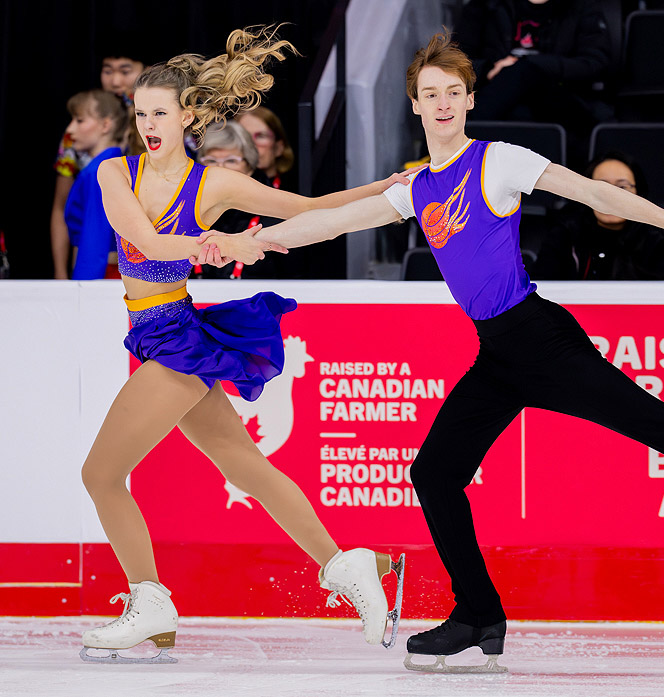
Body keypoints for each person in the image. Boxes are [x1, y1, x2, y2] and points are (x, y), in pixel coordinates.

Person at [196, 32, 664, 673]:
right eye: (431, 92)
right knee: (435, 472)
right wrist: (252, 241)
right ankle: (479, 613)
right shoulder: (414, 187)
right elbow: (332, 221)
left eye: (454, 90)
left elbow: (596, 193)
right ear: (416, 104)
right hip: (499, 355)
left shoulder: (498, 161)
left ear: (469, 99)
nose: (444, 102)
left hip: (543, 340)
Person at [79, 26, 414, 665]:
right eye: (140, 111)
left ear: (191, 117)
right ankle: (350, 565)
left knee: (100, 474)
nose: (148, 122)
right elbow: (146, 244)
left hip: (173, 337)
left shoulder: (213, 186)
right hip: (157, 331)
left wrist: (388, 189)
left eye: (160, 112)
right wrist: (219, 246)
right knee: (245, 467)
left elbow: (309, 207)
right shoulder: (114, 172)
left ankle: (149, 604)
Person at [456, 0, 613, 169]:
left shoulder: (582, 7)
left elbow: (595, 64)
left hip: (560, 100)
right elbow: (457, 62)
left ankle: (454, 140)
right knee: (519, 105)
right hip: (501, 99)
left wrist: (529, 65)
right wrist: (490, 68)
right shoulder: (485, 5)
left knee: (526, 73)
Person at [50, 46, 147, 279]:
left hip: (134, 266)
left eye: (125, 71)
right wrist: (61, 275)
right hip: (97, 265)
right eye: (108, 70)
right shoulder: (82, 144)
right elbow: (61, 209)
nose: (116, 81)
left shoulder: (157, 131)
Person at [532, 151, 664, 279]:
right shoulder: (565, 234)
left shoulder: (659, 239)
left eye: (622, 188)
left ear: (639, 193)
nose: (612, 199)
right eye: (602, 189)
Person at [191, 119, 296, 279]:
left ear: (250, 165)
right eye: (211, 161)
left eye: (231, 160)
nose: (220, 169)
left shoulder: (274, 214)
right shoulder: (187, 210)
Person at [63, 90, 129, 279]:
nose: (70, 129)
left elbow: (95, 237)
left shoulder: (100, 171)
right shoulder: (112, 164)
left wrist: (83, 290)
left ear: (106, 125)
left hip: (102, 276)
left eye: (79, 120)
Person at [237, 106, 294, 189]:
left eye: (261, 136)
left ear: (279, 147)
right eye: (245, 136)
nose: (252, 144)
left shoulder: (296, 191)